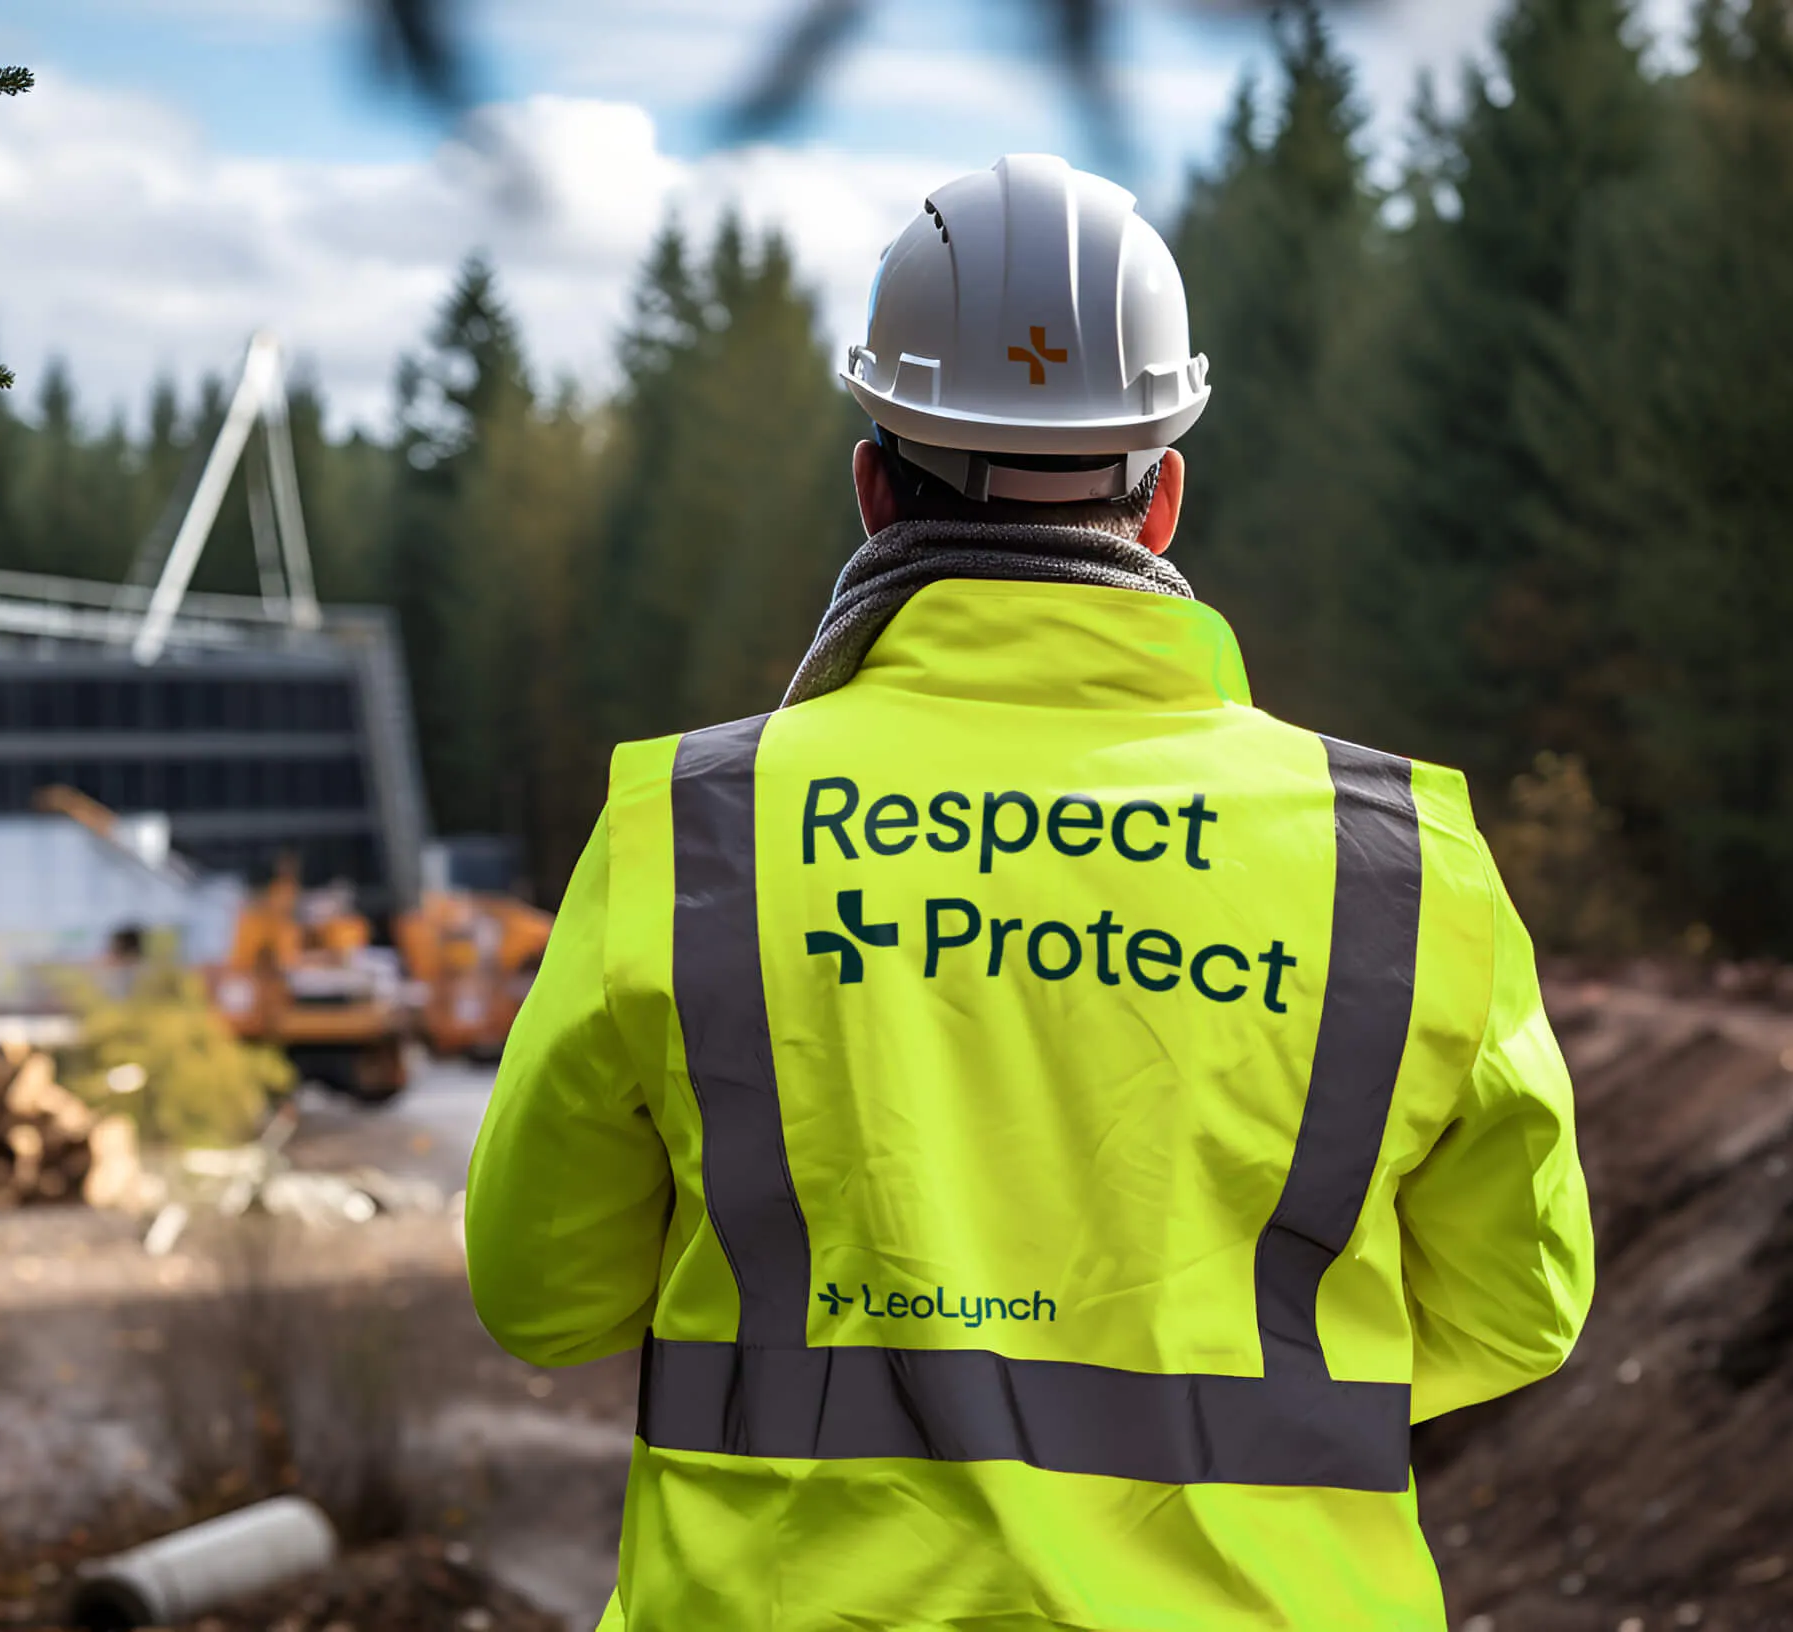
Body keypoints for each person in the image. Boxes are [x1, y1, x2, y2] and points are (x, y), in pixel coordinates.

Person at [463, 153, 1593, 1630]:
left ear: (874, 486)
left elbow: (543, 1298)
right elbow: (1523, 1304)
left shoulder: (695, 831)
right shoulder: (1398, 856)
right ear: (1163, 497)